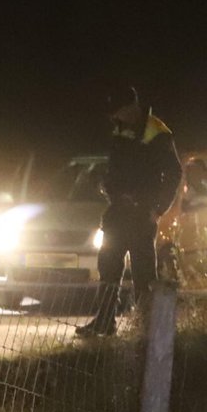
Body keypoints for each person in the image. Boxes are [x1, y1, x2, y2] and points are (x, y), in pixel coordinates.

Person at [76, 88, 181, 337]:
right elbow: (118, 166)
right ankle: (104, 321)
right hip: (117, 210)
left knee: (143, 272)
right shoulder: (121, 127)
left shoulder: (157, 131)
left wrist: (158, 208)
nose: (115, 117)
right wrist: (106, 184)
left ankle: (146, 327)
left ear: (132, 107)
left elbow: (174, 173)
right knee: (108, 266)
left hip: (142, 212)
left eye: (119, 111)